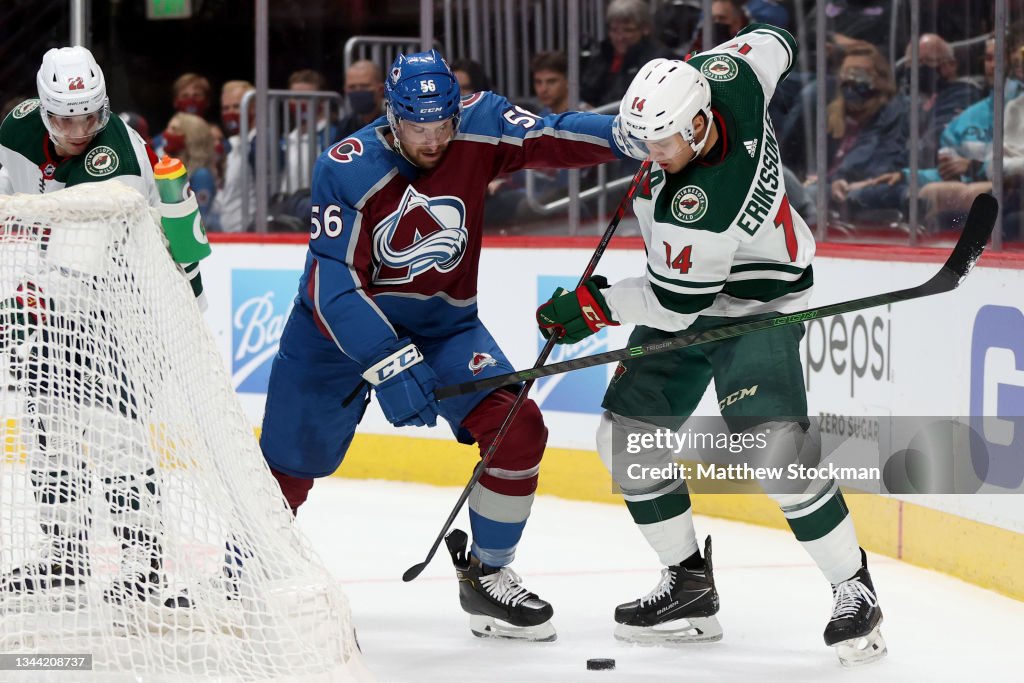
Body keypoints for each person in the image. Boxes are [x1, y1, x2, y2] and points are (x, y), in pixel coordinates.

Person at [535, 24, 886, 666]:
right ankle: (689, 588)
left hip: (758, 302)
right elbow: (776, 39)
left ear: (698, 127)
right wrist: (711, 59)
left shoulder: (698, 206)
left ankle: (853, 590)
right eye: (645, 141)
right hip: (694, 287)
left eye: (662, 142)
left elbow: (672, 308)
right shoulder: (734, 80)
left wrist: (595, 306)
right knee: (625, 435)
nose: (652, 153)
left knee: (774, 448)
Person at [259, 48, 637, 642]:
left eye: (443, 126)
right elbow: (331, 282)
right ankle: (243, 573)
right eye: (418, 128)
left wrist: (628, 135)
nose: (433, 141)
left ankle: (487, 574)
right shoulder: (348, 165)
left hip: (444, 328)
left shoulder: (480, 121)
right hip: (334, 337)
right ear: (392, 114)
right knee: (288, 467)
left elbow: (551, 133)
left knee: (519, 429)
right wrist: (386, 361)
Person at [0, 46, 209, 607]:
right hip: (57, 307)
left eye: (89, 116)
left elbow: (79, 260)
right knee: (49, 435)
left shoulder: (117, 156)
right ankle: (63, 557)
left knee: (118, 442)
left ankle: (142, 563)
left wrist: (19, 306)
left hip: (128, 310)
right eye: (66, 118)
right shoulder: (16, 129)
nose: (79, 129)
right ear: (43, 110)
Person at [580, 0, 662, 107]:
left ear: (646, 29)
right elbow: (586, 94)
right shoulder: (602, 55)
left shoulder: (658, 60)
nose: (619, 37)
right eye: (614, 30)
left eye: (627, 30)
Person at [211, 80, 256, 232]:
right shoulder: (229, 144)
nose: (231, 112)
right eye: (225, 108)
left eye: (237, 106)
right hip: (227, 234)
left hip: (252, 235)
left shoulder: (261, 144)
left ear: (253, 108)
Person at [162, 111, 220, 229]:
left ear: (191, 137)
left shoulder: (201, 175)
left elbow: (201, 219)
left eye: (174, 129)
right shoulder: (173, 170)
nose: (167, 133)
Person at [337, 60, 385, 139]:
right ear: (345, 90)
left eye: (364, 86)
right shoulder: (346, 125)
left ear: (380, 89)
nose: (358, 91)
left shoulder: (394, 122)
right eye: (352, 87)